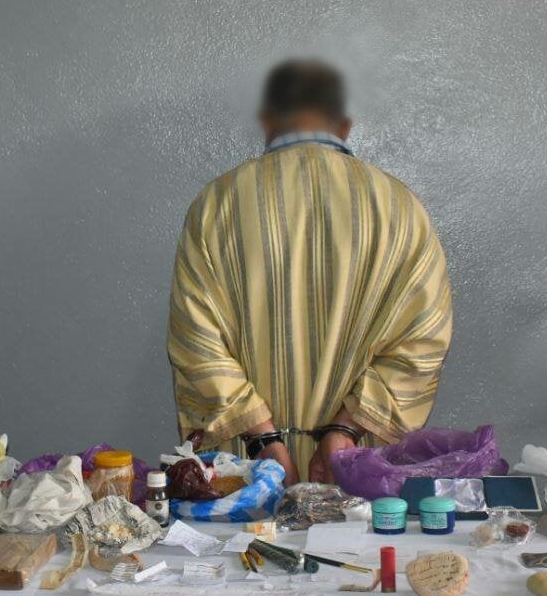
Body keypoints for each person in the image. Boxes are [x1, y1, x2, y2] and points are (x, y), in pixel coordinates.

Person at [165, 59, 454, 485]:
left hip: (246, 476)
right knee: (361, 535)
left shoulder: (216, 205)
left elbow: (196, 342)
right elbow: (423, 342)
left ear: (267, 120)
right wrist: (345, 430)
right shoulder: (401, 208)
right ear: (346, 125)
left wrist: (265, 441)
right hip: (356, 472)